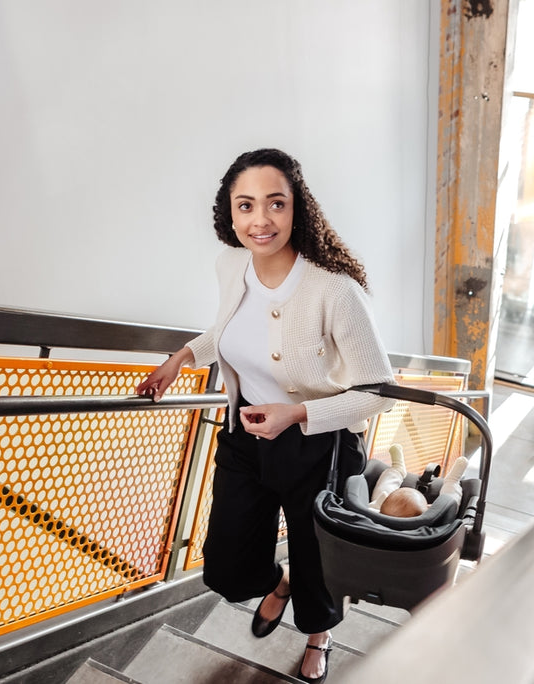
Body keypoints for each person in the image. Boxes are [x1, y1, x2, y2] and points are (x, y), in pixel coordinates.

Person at [136, 148, 395, 683]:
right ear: (228, 215)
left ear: (297, 208)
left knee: (318, 561)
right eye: (246, 206)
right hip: (245, 437)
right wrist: (183, 357)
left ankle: (319, 635)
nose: (261, 220)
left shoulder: (334, 290)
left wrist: (297, 412)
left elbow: (379, 391)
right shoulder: (230, 264)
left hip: (318, 446)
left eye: (275, 204)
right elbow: (232, 329)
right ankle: (282, 580)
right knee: (228, 568)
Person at [370, 444, 468, 518]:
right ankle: (452, 481)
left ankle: (397, 470)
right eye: (428, 507)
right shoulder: (425, 528)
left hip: (380, 513)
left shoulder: (372, 514)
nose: (429, 506)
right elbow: (448, 509)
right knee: (448, 504)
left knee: (383, 491)